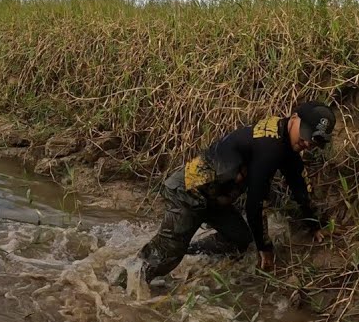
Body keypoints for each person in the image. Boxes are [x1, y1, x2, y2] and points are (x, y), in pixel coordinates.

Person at [118, 101, 336, 291]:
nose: (307, 143)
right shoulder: (271, 147)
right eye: (306, 135)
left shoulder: (285, 143)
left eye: (314, 141)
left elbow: (297, 183)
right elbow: (255, 203)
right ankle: (119, 287)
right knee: (165, 257)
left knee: (239, 240)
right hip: (188, 193)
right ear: (294, 118)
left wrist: (313, 224)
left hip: (215, 199)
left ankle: (188, 251)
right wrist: (265, 249)